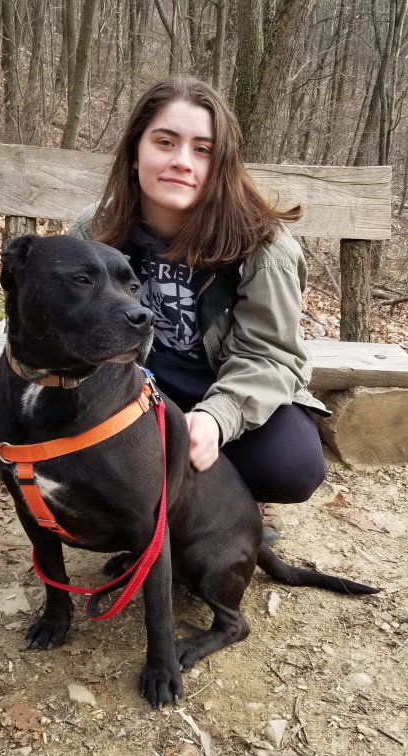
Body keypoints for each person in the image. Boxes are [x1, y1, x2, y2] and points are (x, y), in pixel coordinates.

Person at [69, 75, 330, 540]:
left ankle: (225, 510)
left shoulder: (262, 246)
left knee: (293, 464)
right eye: (165, 142)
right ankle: (137, 517)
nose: (181, 162)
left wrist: (216, 417)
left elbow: (272, 357)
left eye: (202, 149)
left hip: (225, 381)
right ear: (134, 152)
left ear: (221, 163)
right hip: (133, 384)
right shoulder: (97, 230)